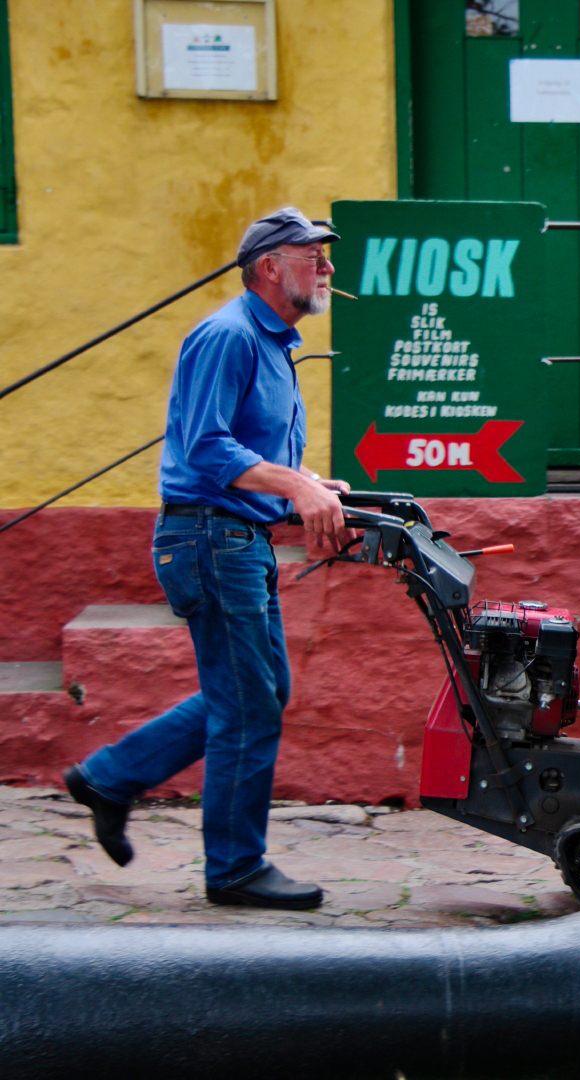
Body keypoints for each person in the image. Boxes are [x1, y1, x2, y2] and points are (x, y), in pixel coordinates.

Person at [62, 207, 353, 909]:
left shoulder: (272, 344)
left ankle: (110, 777)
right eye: (313, 255)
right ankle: (234, 868)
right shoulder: (227, 336)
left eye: (325, 257)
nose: (328, 268)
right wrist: (291, 484)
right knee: (250, 701)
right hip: (209, 540)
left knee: (255, 694)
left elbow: (249, 455)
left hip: (233, 538)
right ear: (268, 267)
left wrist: (306, 483)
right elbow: (206, 447)